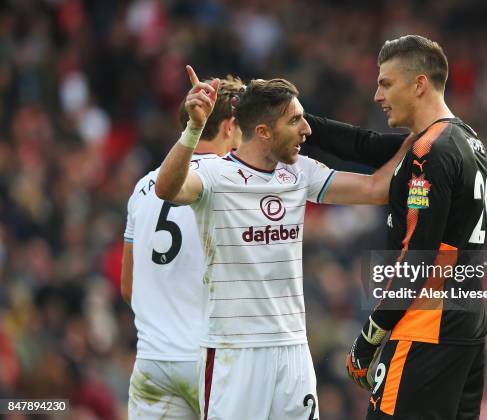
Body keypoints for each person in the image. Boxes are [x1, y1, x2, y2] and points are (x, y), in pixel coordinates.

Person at [155, 66, 410, 420]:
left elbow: (376, 188)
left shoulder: (299, 172)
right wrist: (194, 128)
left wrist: (423, 139)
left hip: (292, 348)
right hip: (234, 349)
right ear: (262, 131)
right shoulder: (215, 175)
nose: (307, 130)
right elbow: (166, 189)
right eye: (295, 121)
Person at [306, 35, 487, 420]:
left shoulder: (429, 152)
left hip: (426, 324)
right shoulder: (465, 140)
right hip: (467, 322)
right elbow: (365, 144)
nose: (377, 95)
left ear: (418, 84)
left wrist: (370, 335)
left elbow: (417, 257)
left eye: (386, 83)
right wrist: (299, 122)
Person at [120, 75, 244, 420]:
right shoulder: (233, 179)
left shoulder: (143, 185)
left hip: (152, 362)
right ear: (231, 126)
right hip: (210, 361)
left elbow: (129, 288)